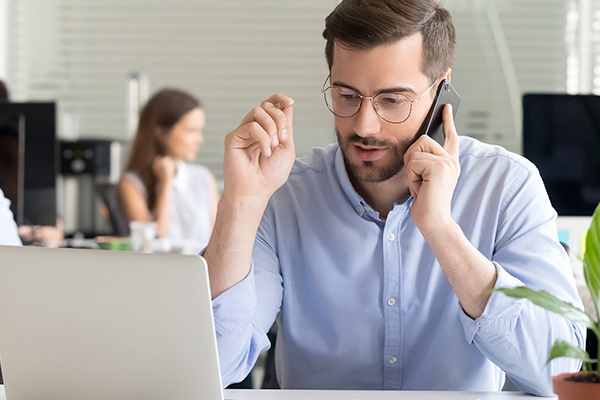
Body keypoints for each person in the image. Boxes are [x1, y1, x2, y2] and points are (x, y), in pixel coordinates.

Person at [205, 0, 585, 395]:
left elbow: (558, 371)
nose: (365, 125)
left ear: (441, 92)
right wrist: (241, 203)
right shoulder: (284, 195)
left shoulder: (506, 186)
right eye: (347, 95)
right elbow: (217, 365)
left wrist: (441, 231)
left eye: (392, 100)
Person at [119, 88, 219, 254]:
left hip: (203, 272)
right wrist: (166, 185)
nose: (199, 139)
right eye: (191, 131)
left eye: (200, 131)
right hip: (160, 274)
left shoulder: (204, 177)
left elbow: (218, 239)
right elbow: (152, 246)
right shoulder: (131, 183)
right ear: (161, 132)